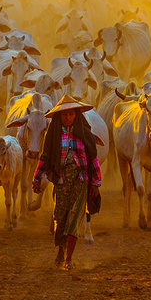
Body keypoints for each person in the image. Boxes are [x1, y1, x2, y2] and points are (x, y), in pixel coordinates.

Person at [31, 95, 101, 270]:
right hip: (61, 182)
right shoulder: (53, 135)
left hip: (81, 181)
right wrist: (37, 177)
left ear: (76, 115)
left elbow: (93, 158)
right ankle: (60, 252)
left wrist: (95, 183)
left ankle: (69, 257)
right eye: (64, 115)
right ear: (58, 117)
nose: (68, 118)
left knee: (75, 218)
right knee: (60, 218)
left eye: (71, 114)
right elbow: (45, 157)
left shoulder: (86, 134)